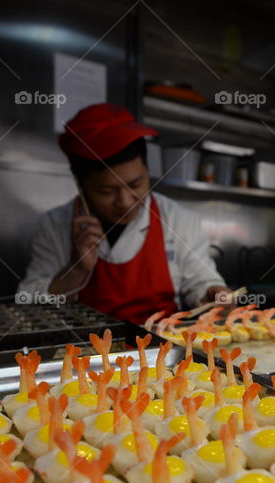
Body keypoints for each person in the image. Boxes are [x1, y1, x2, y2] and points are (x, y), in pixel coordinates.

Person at [18, 103, 230, 324]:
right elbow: (27, 303)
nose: (125, 202)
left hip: (163, 350)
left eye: (136, 184)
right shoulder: (56, 225)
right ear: (81, 186)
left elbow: (201, 280)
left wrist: (213, 293)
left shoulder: (177, 219)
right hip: (85, 352)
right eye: (106, 191)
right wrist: (76, 270)